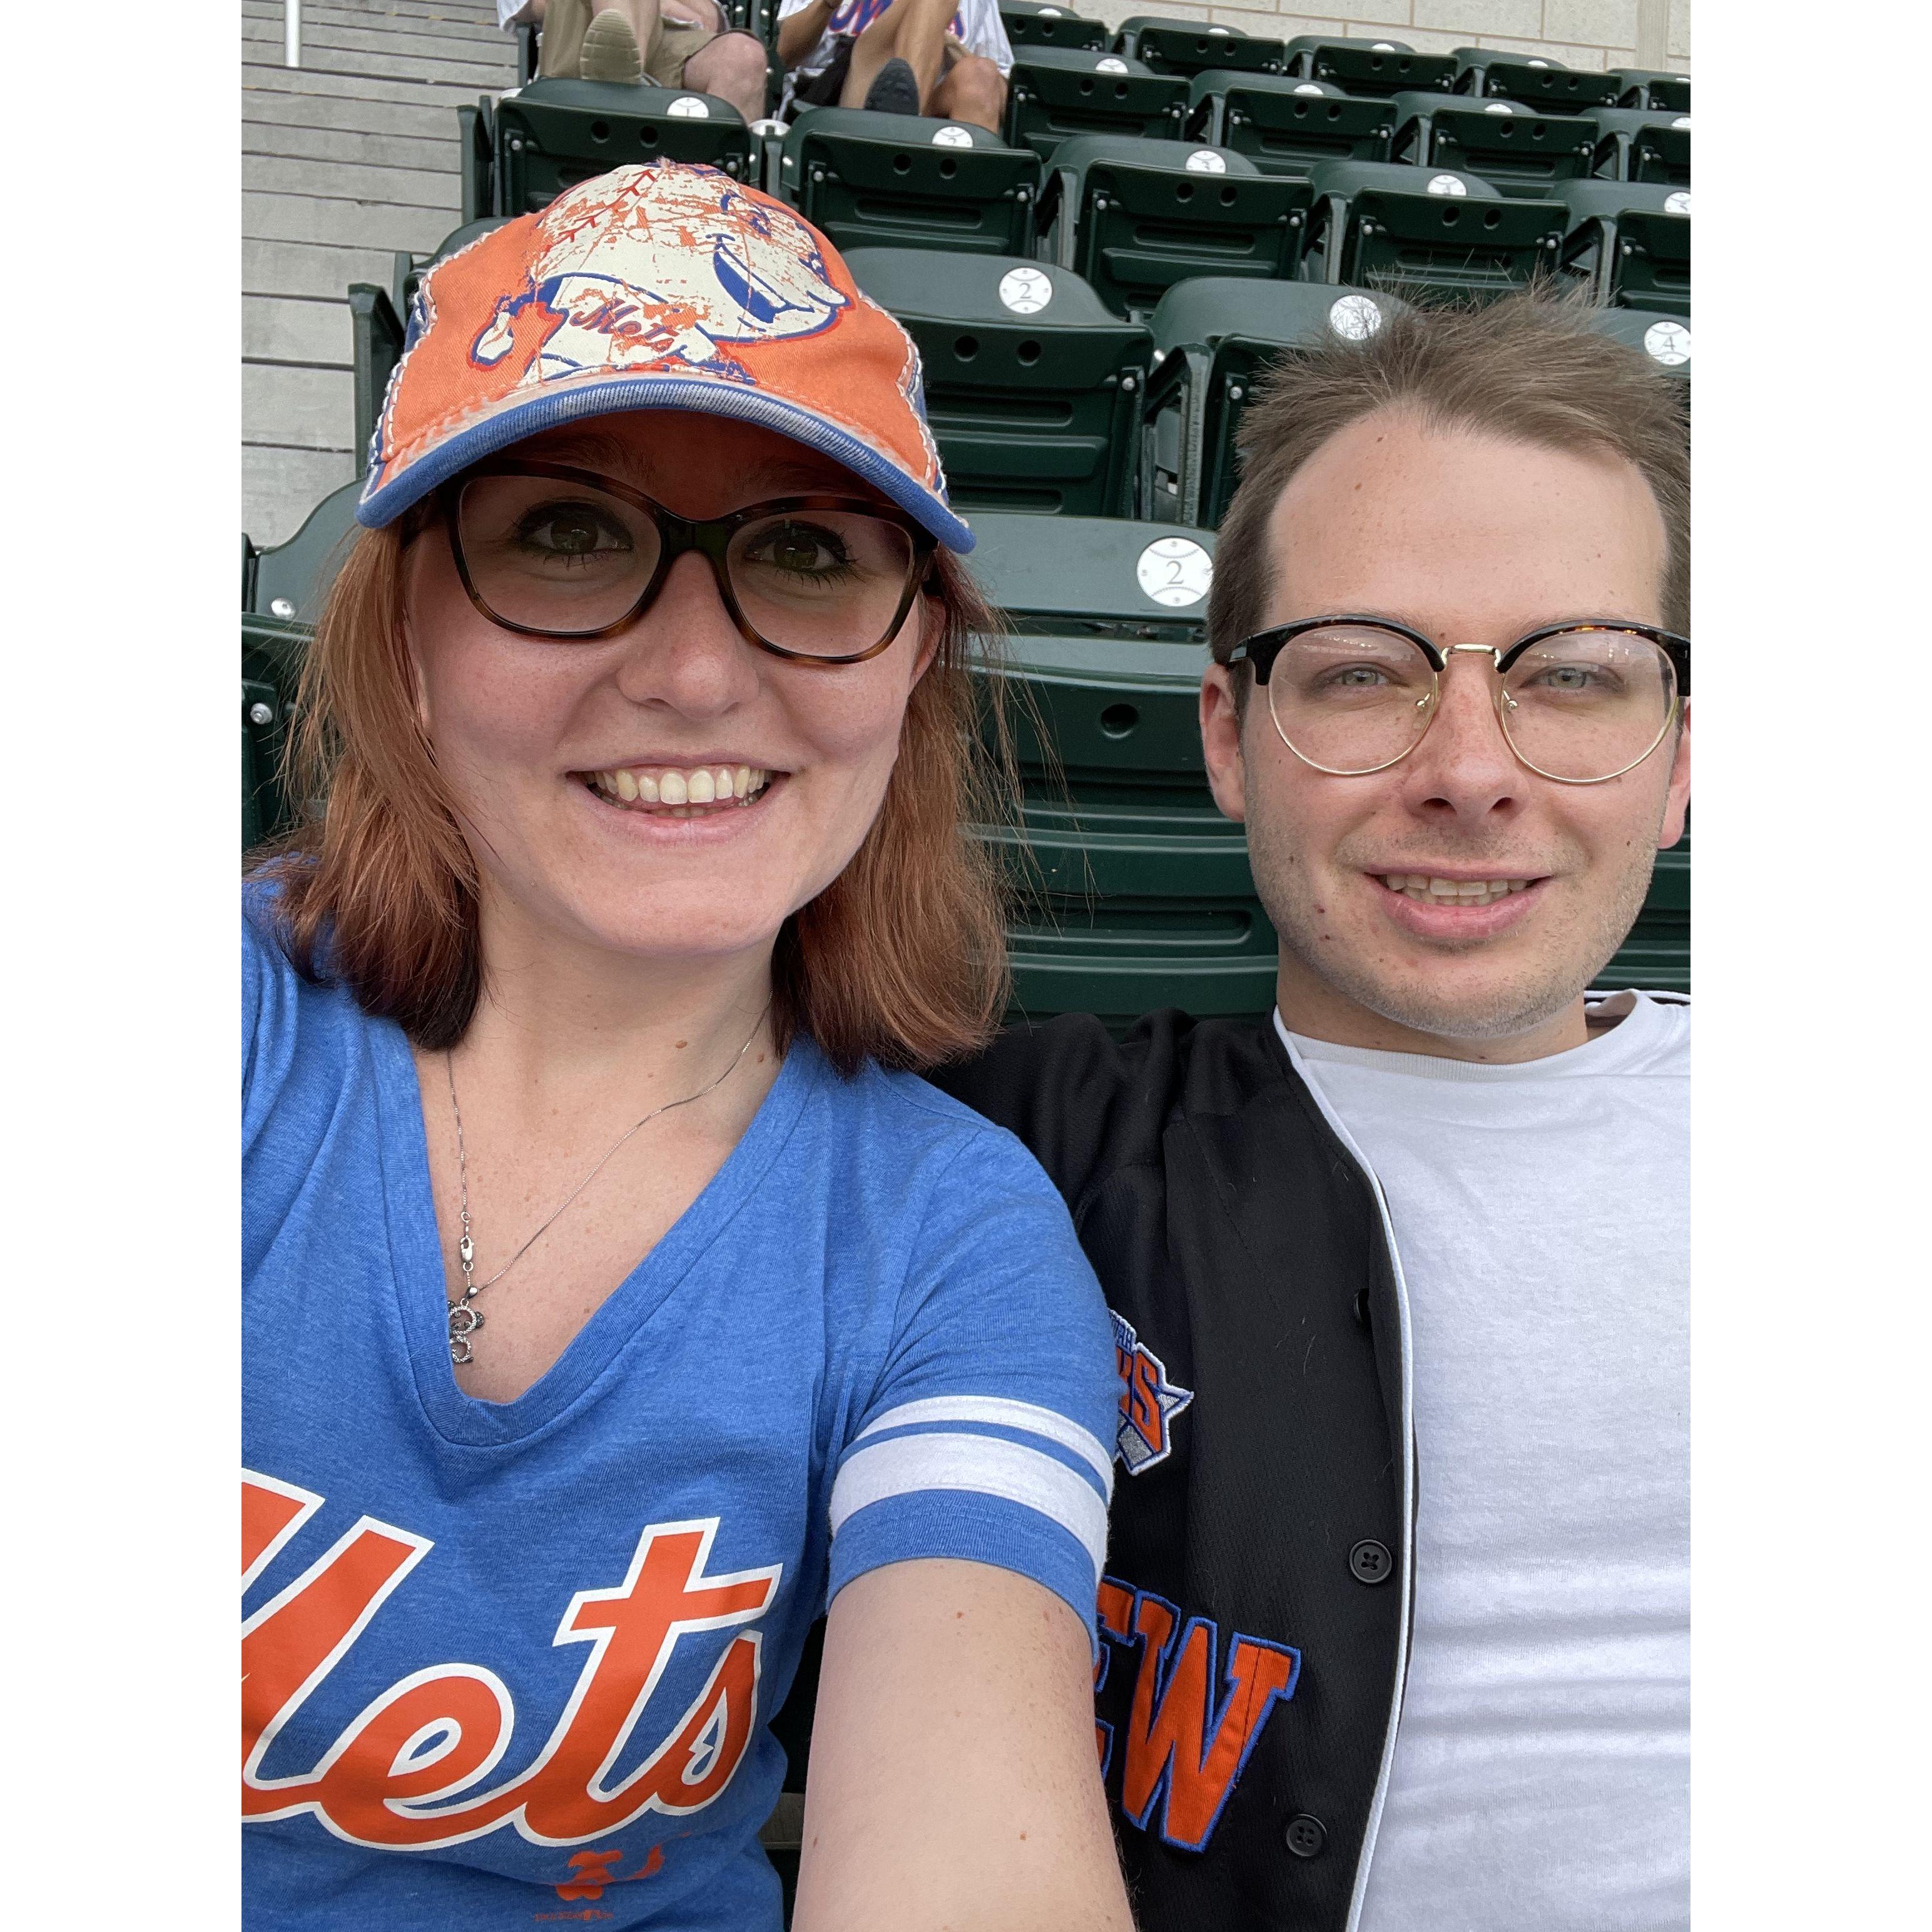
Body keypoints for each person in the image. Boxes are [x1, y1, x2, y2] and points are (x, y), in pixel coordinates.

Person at [243, 161, 1133, 1932]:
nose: (697, 673)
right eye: (566, 534)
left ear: (910, 671)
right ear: (408, 640)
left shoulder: (953, 1246)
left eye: (807, 555)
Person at [933, 290, 1692, 1931]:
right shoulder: (1008, 1151)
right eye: (1361, 675)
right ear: (1230, 734)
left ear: (1684, 756)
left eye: (1573, 675)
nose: (1472, 769)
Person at [499, 0, 771, 124]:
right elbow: (529, 6)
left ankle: (720, 210)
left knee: (743, 56)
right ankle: (630, 86)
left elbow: (708, 17)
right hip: (578, 38)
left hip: (673, 43)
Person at [776, 0, 1010, 132]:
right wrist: (825, 5)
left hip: (936, 118)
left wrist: (946, 44)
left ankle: (968, 208)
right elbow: (785, 54)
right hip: (837, 103)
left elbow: (1002, 93)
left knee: (978, 76)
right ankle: (900, 132)